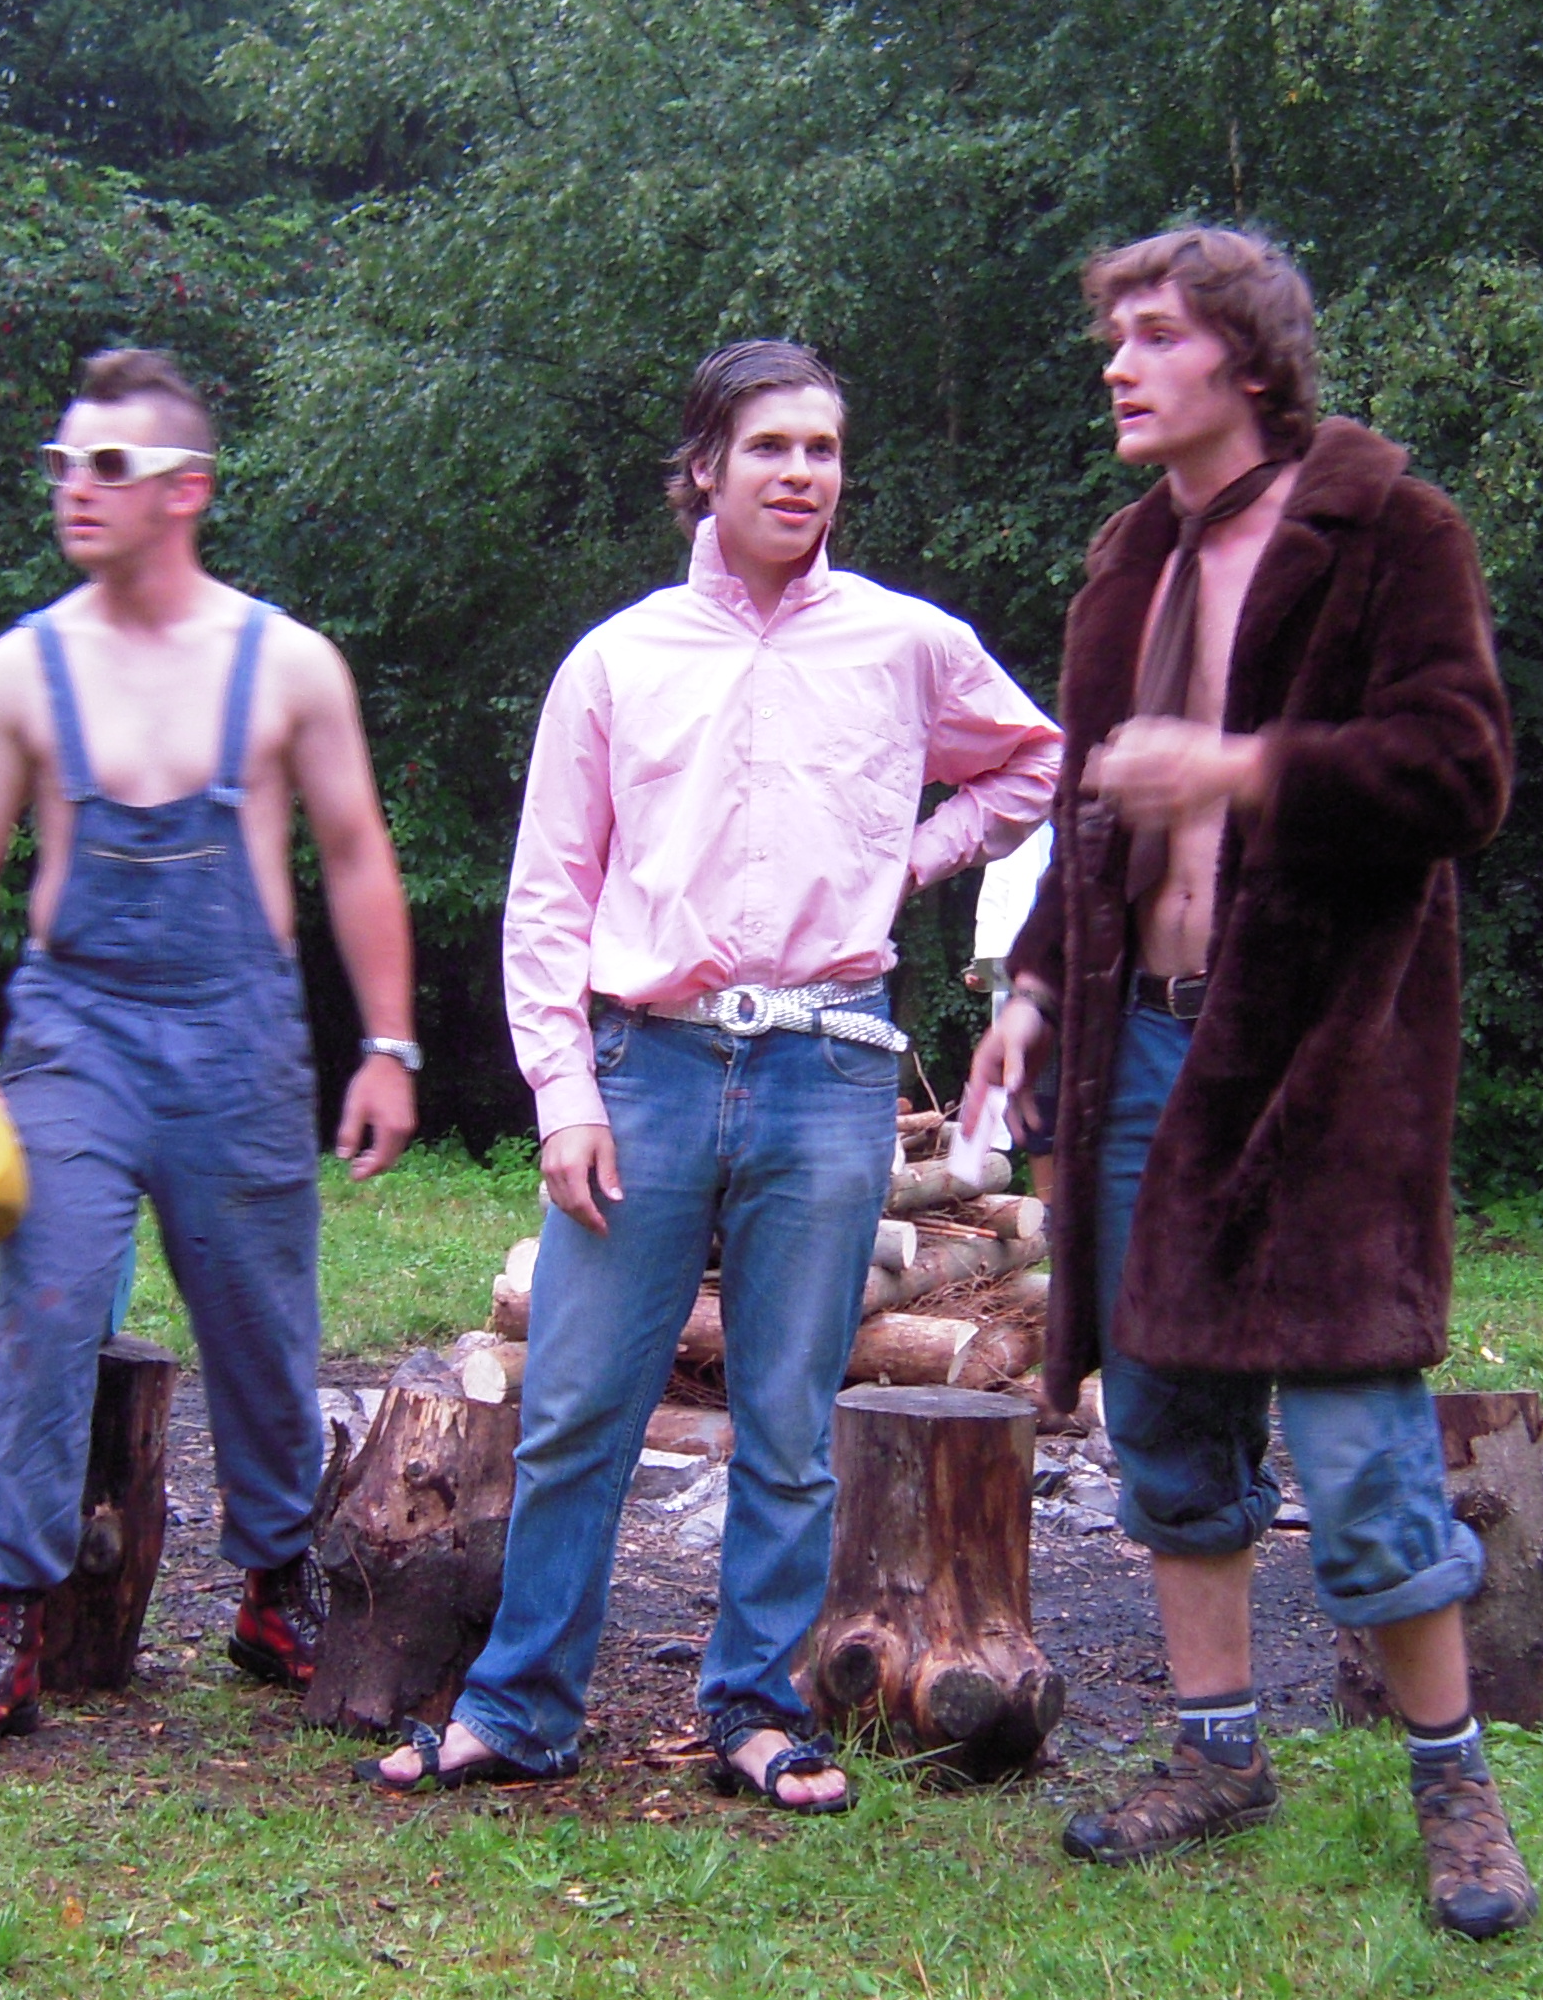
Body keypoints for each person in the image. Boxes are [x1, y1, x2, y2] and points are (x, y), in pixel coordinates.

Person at [361, 340, 1063, 1810]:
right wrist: (563, 1093)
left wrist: (913, 857)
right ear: (705, 468)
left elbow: (1032, 763)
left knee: (789, 1423)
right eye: (770, 448)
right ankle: (522, 1707)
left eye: (823, 449)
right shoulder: (619, 659)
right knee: (576, 1406)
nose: (802, 474)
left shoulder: (903, 643)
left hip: (830, 1066)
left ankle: (754, 1707)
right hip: (648, 1069)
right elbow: (549, 892)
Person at [964, 229, 1535, 1934]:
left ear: (1251, 359)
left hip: (1320, 1052)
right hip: (1140, 1039)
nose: (1119, 366)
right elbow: (1095, 813)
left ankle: (1456, 1788)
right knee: (1162, 1414)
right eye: (1115, 338)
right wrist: (1038, 987)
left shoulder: (1392, 530)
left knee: (1358, 1434)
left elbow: (1463, 771)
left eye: (1156, 336)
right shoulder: (1128, 560)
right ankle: (1219, 1756)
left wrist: (1239, 766)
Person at [0, 348, 423, 1756]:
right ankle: (7, 1621)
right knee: (47, 1298)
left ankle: (276, 1588)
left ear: (188, 490)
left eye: (107, 465)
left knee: (260, 1316)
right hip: (76, 1028)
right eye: (60, 463)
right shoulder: (21, 670)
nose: (75, 487)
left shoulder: (286, 664)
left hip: (240, 1031)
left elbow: (357, 856)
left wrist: (389, 1046)